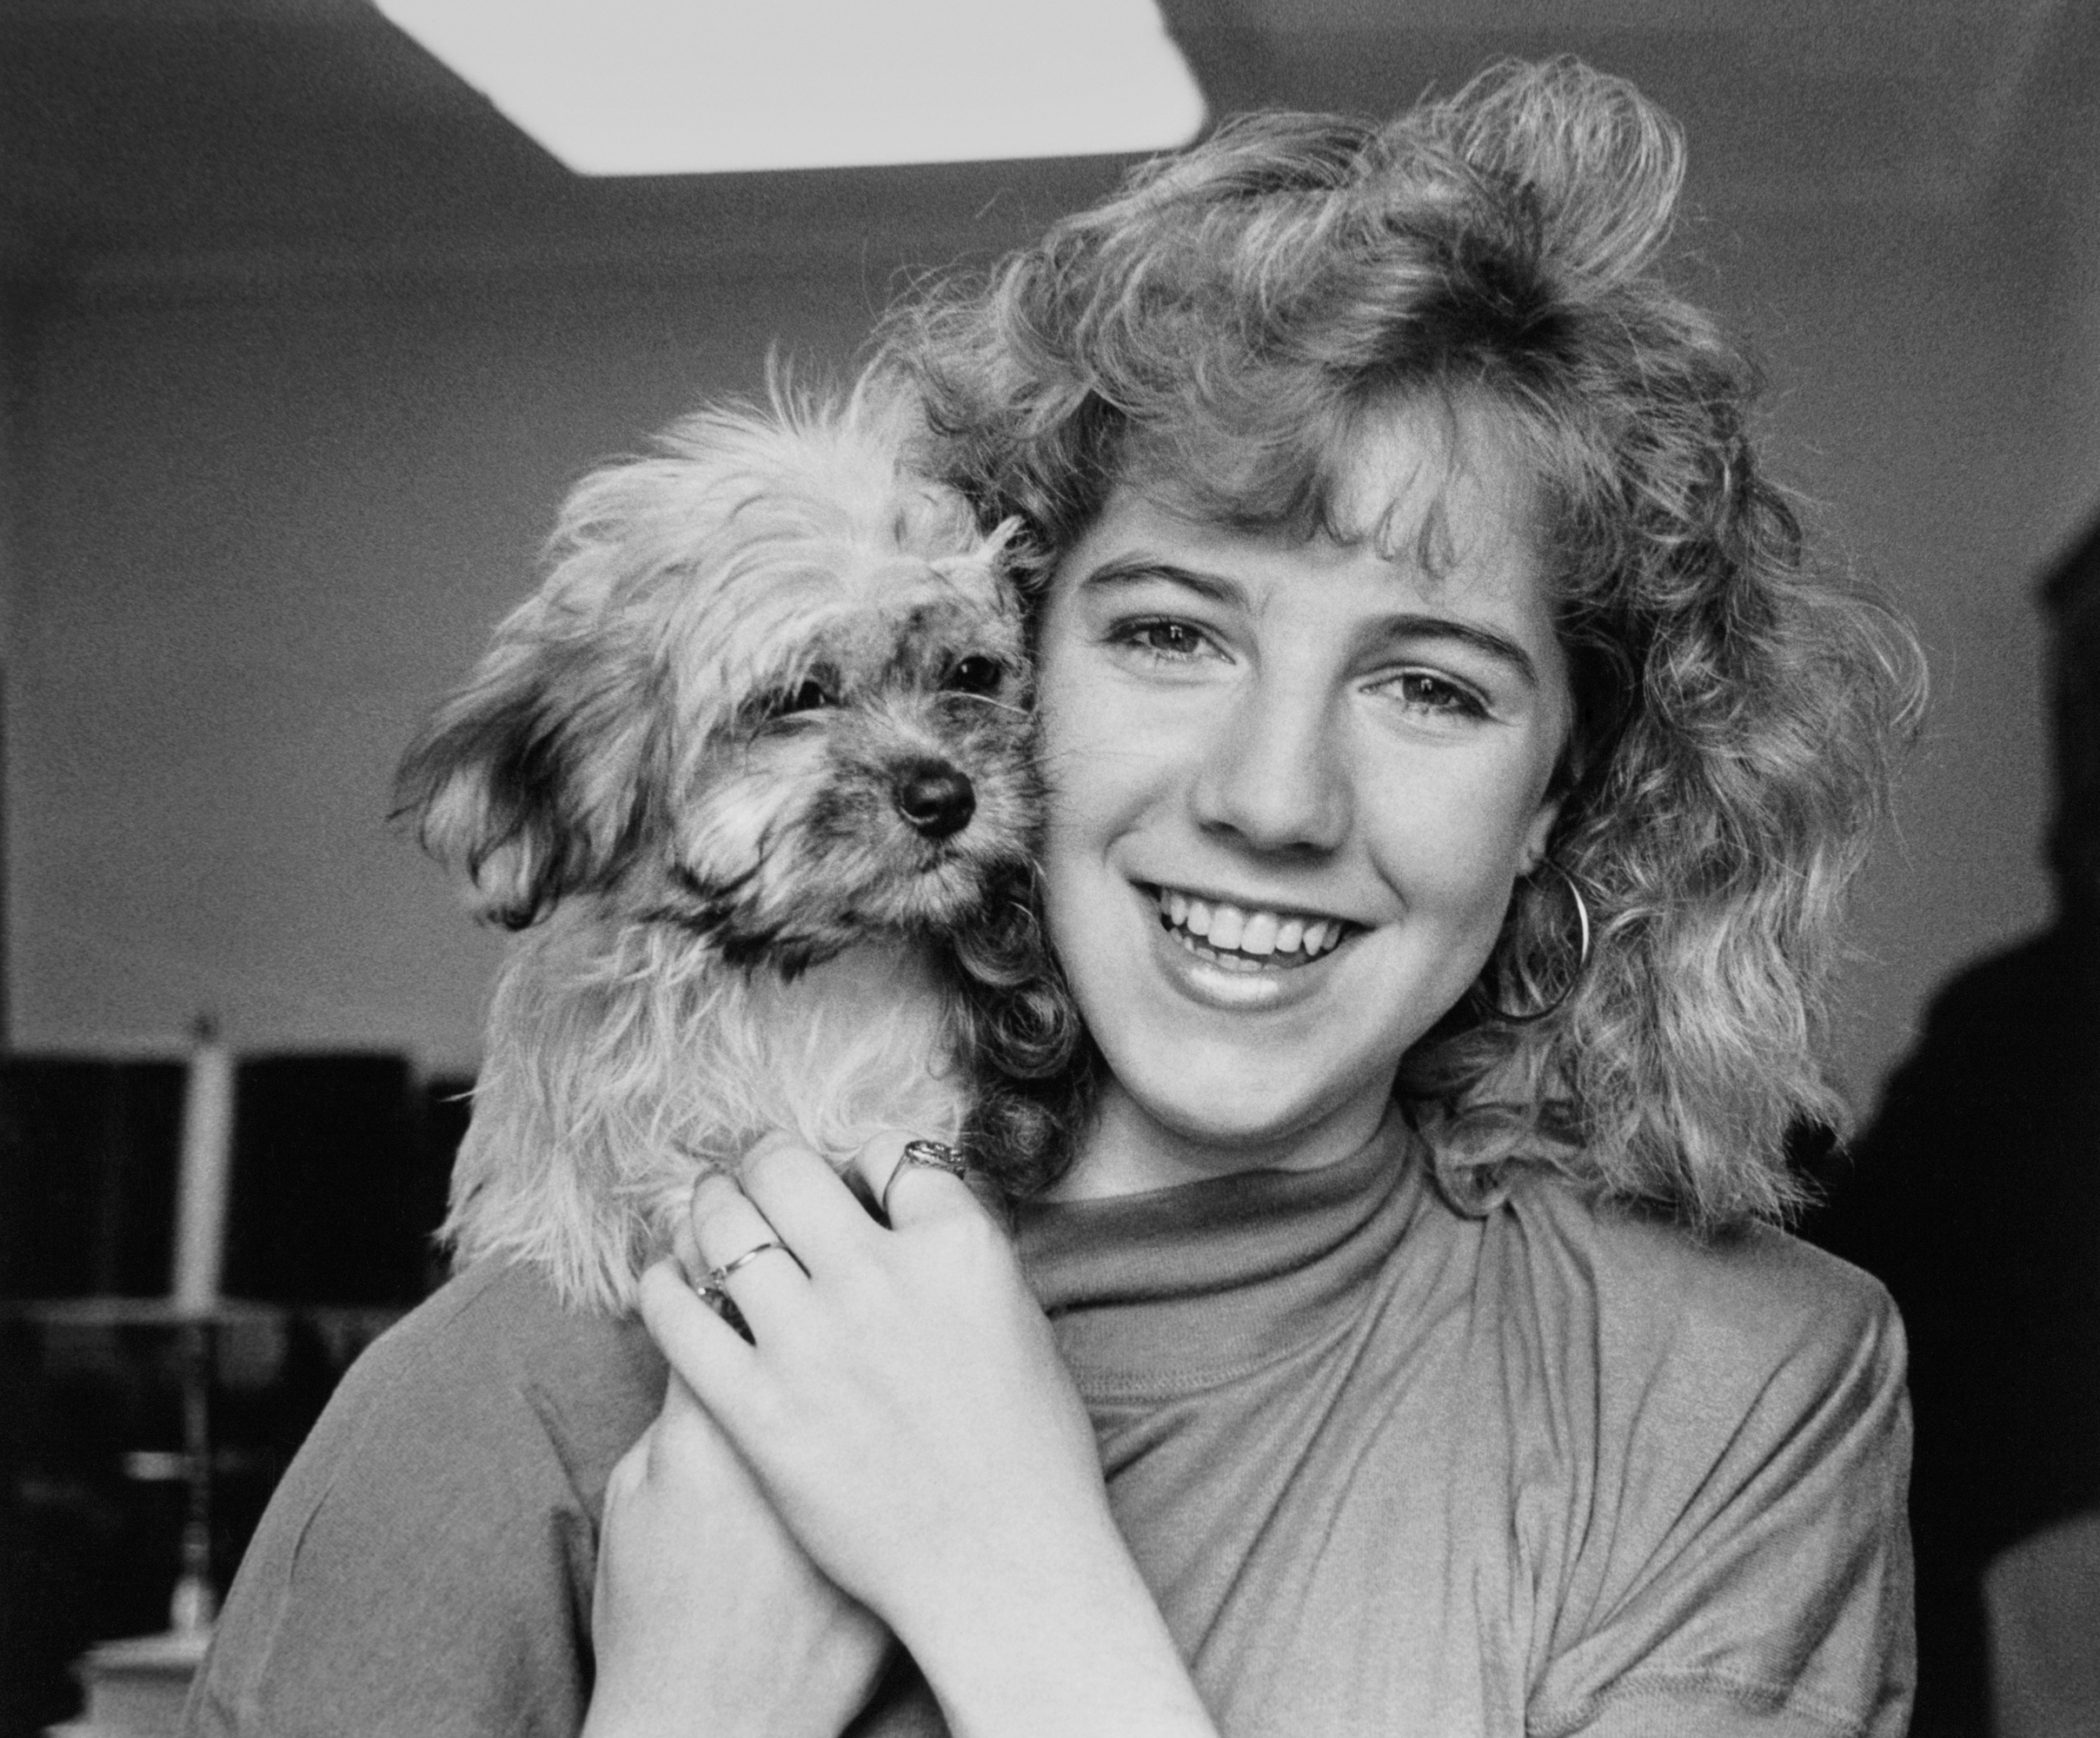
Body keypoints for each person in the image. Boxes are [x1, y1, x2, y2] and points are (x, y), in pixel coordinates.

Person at [183, 58, 1924, 1738]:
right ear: (1015, 656)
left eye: (1431, 687)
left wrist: (1019, 1594)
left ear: (1557, 790)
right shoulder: (524, 1386)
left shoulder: (1735, 1391)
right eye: (1170, 633)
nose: (1269, 798)